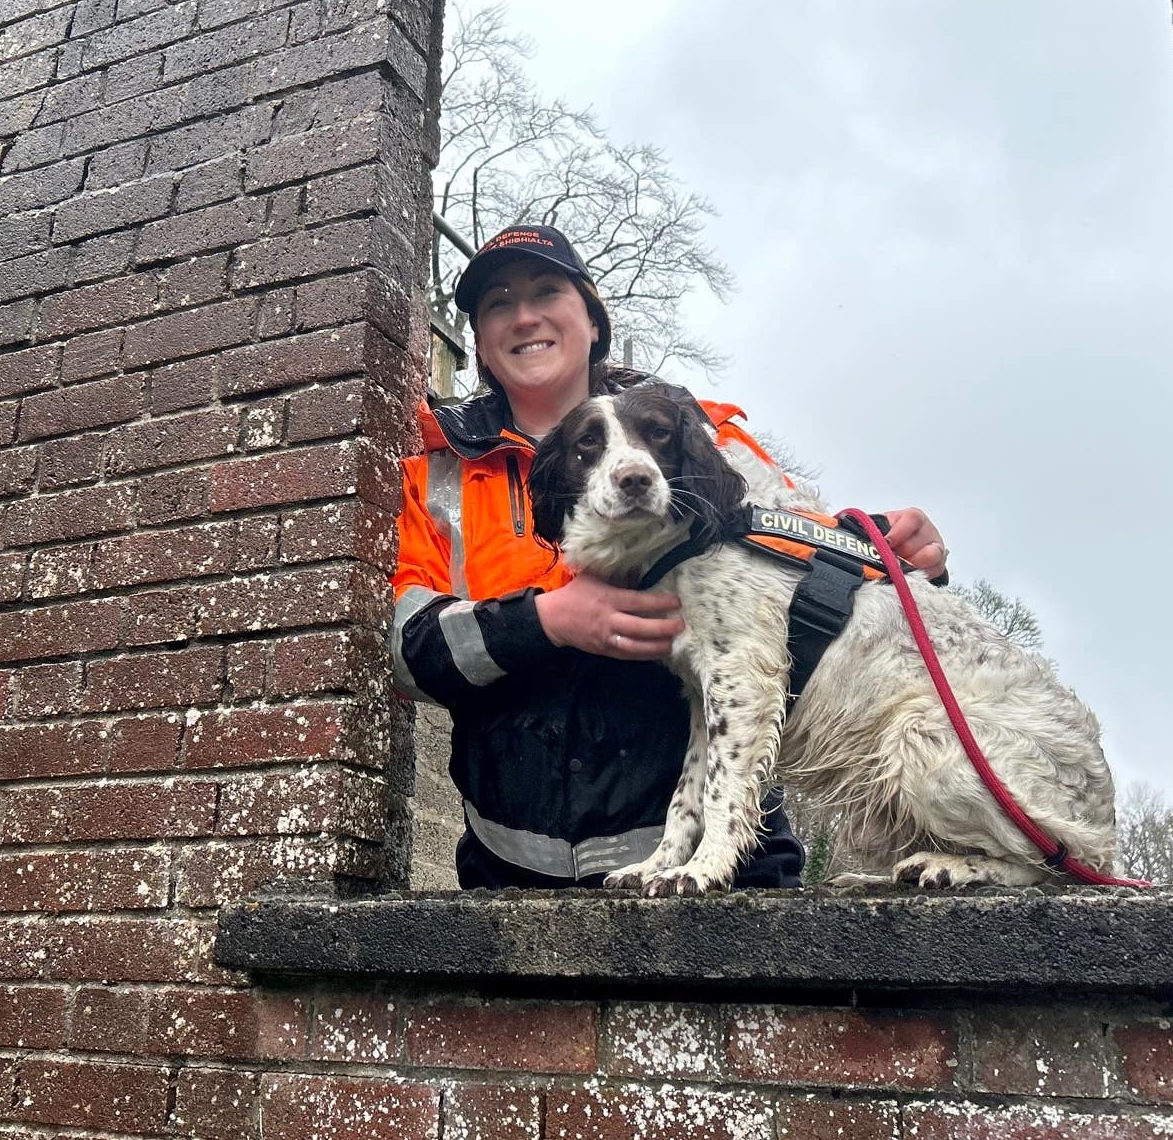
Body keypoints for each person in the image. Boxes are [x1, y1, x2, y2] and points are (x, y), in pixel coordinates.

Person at [391, 225, 949, 889]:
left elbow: (801, 564)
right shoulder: (436, 475)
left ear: (594, 322)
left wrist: (899, 551)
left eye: (546, 292)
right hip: (513, 875)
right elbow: (406, 651)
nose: (525, 316)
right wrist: (546, 621)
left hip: (723, 873)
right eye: (498, 304)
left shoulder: (699, 433)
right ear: (479, 342)